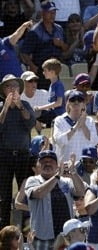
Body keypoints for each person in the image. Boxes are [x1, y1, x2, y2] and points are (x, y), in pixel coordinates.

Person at [25, 150, 85, 249]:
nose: (47, 163)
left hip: (65, 236)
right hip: (43, 237)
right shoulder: (33, 180)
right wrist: (57, 176)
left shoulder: (66, 181)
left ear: (57, 165)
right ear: (38, 165)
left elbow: (81, 192)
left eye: (51, 161)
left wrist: (73, 172)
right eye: (44, 161)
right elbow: (39, 193)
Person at [0, 74, 35, 229]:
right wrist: (6, 107)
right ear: (4, 90)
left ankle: (25, 229)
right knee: (4, 195)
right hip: (4, 155)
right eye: (9, 86)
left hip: (22, 155)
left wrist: (19, 105)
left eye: (15, 86)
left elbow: (30, 123)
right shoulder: (1, 107)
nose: (12, 89)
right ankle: (4, 229)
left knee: (25, 193)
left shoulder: (26, 105)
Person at [20, 1, 68, 88]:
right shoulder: (35, 31)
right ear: (42, 13)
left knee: (55, 93)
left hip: (56, 69)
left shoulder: (59, 29)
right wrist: (32, 66)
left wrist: (61, 44)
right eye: (49, 12)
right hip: (41, 70)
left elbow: (66, 48)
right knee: (43, 95)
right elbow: (24, 52)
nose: (52, 15)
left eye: (54, 12)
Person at [53, 90, 98, 163]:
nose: (76, 102)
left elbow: (94, 141)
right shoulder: (60, 120)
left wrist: (83, 125)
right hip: (65, 164)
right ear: (68, 103)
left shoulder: (89, 121)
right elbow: (59, 141)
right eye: (73, 99)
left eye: (80, 100)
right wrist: (76, 126)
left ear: (84, 104)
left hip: (84, 164)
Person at [33, 58, 66, 128]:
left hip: (58, 115)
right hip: (52, 113)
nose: (43, 73)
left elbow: (59, 103)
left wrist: (40, 108)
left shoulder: (58, 85)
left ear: (52, 72)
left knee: (36, 113)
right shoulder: (51, 85)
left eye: (45, 71)